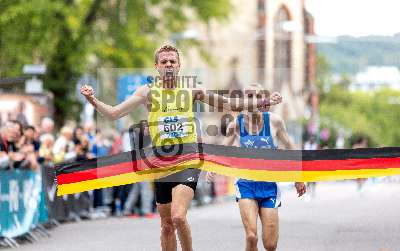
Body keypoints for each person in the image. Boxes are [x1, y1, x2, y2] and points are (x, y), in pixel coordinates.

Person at [80, 44, 282, 251]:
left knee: (178, 217)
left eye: (172, 61)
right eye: (164, 62)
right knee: (167, 226)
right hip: (160, 162)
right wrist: (92, 99)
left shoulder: (192, 89)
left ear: (179, 65)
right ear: (156, 66)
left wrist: (264, 101)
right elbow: (114, 113)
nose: (168, 65)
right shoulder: (147, 92)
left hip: (188, 160)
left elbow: (230, 104)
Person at [207, 83, 306, 251]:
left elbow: (291, 149)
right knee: (251, 236)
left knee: (270, 245)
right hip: (246, 184)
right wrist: (213, 168)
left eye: (257, 96)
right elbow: (223, 150)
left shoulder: (275, 122)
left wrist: (299, 177)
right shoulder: (236, 124)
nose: (253, 100)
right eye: (249, 96)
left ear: (263, 100)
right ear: (244, 101)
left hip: (269, 186)